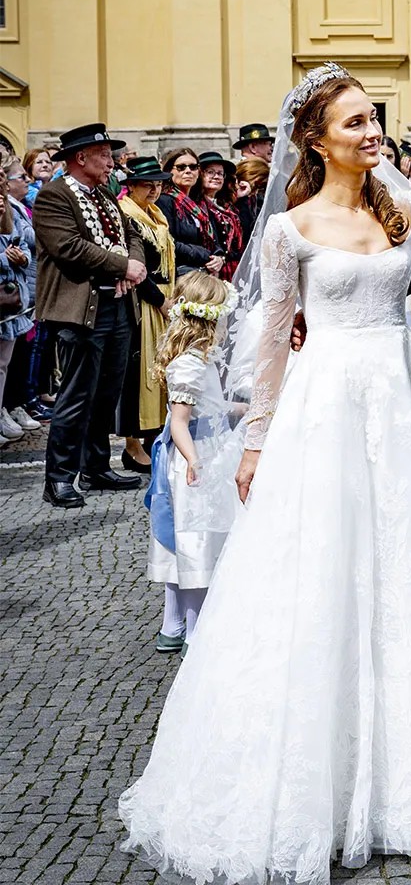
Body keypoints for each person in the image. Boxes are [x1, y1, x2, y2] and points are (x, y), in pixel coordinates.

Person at [120, 65, 411, 885]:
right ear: (316, 140)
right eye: (354, 123)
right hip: (324, 410)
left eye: (373, 120)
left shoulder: (408, 212)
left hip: (404, 402)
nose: (372, 133)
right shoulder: (287, 230)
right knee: (319, 576)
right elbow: (277, 339)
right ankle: (315, 781)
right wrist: (255, 442)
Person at [33, 123, 147, 508]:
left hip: (115, 305)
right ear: (80, 158)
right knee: (77, 394)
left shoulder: (105, 194)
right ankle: (59, 477)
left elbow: (131, 233)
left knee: (106, 394)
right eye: (104, 155)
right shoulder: (54, 196)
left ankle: (96, 467)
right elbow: (69, 247)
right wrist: (123, 267)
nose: (111, 162)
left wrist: (134, 261)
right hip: (79, 311)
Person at [146, 272, 236, 656]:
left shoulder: (202, 359)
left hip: (205, 447)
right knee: (195, 537)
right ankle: (194, 629)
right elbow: (180, 421)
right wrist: (195, 461)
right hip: (194, 459)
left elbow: (210, 407)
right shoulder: (188, 365)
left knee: (185, 537)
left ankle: (172, 622)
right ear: (209, 319)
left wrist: (243, 409)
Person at [117, 157, 176, 473]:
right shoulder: (129, 215)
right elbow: (137, 266)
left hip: (164, 295)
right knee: (139, 371)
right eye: (147, 184)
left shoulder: (157, 213)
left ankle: (155, 434)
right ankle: (131, 443)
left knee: (159, 368)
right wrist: (159, 300)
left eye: (158, 184)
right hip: (143, 300)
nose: (154, 189)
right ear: (132, 186)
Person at [0, 158, 43, 436]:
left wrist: (20, 257)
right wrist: (5, 259)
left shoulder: (9, 211)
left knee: (3, 364)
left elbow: (24, 246)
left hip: (11, 298)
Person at [158, 150, 224, 277]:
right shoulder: (164, 200)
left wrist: (219, 258)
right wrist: (205, 255)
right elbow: (169, 242)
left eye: (193, 167)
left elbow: (215, 241)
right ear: (169, 171)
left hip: (205, 273)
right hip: (181, 274)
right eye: (181, 167)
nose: (188, 171)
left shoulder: (200, 202)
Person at [191, 153, 243, 281]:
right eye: (210, 172)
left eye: (220, 173)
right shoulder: (193, 206)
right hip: (206, 270)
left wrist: (244, 198)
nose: (216, 177)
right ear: (200, 174)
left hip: (232, 271)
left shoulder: (229, 207)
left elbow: (240, 245)